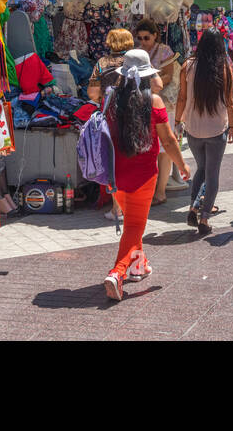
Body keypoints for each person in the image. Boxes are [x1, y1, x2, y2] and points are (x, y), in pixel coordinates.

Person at [103, 49, 190, 300]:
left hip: (115, 174)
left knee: (132, 223)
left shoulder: (111, 99)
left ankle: (139, 266)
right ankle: (117, 273)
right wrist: (182, 166)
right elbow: (169, 140)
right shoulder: (153, 101)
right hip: (143, 175)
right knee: (134, 226)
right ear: (146, 75)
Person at [176, 29, 233, 235]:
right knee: (212, 174)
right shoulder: (224, 68)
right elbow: (229, 101)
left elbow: (182, 98)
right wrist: (232, 126)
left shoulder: (188, 65)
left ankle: (194, 207)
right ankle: (204, 218)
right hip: (216, 130)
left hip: (193, 129)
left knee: (201, 169)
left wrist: (177, 121)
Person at [88, 28, 136, 223]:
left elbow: (92, 93)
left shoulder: (102, 63)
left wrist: (102, 96)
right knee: (132, 159)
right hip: (134, 115)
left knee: (113, 162)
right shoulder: (136, 61)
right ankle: (134, 205)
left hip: (111, 117)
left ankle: (118, 208)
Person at [135, 19, 180, 205]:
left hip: (163, 103)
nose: (143, 41)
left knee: (163, 148)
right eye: (140, 38)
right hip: (145, 102)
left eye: (146, 37)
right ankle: (151, 189)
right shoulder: (138, 53)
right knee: (149, 147)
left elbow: (169, 76)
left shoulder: (164, 50)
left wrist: (150, 81)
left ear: (155, 35)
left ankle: (160, 192)